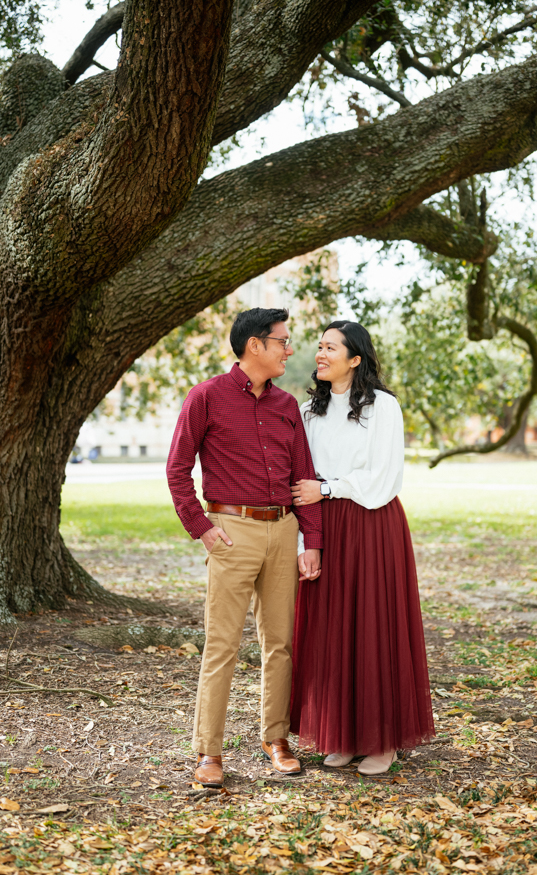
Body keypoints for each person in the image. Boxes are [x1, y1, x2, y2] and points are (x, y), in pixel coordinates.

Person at [167, 308, 323, 788]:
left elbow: (304, 479)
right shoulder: (207, 397)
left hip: (282, 531)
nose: (289, 349)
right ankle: (208, 753)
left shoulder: (287, 406)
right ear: (255, 345)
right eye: (283, 341)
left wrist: (310, 540)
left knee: (280, 644)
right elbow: (177, 469)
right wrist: (203, 528)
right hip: (232, 533)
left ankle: (275, 739)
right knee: (222, 645)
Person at [290, 320, 435, 776]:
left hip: (371, 524)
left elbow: (383, 477)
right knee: (332, 629)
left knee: (373, 625)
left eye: (331, 347)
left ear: (355, 359)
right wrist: (304, 539)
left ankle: (381, 740)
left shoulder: (383, 407)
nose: (320, 353)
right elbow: (300, 484)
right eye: (318, 346)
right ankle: (343, 734)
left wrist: (329, 490)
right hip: (321, 525)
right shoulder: (306, 412)